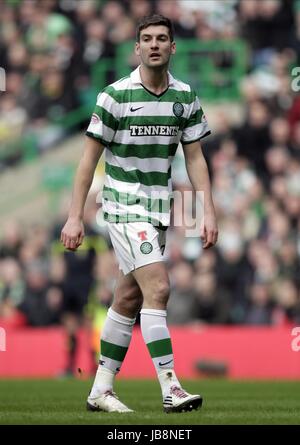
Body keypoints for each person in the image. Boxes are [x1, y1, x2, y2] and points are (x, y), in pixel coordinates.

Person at [61, 14, 218, 413]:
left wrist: (207, 210)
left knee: (129, 297)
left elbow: (195, 158)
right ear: (136, 48)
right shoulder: (114, 96)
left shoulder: (185, 97)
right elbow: (86, 162)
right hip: (123, 204)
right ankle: (170, 386)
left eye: (161, 38)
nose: (154, 45)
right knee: (159, 288)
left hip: (159, 208)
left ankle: (100, 389)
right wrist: (75, 216)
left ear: (172, 47)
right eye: (146, 39)